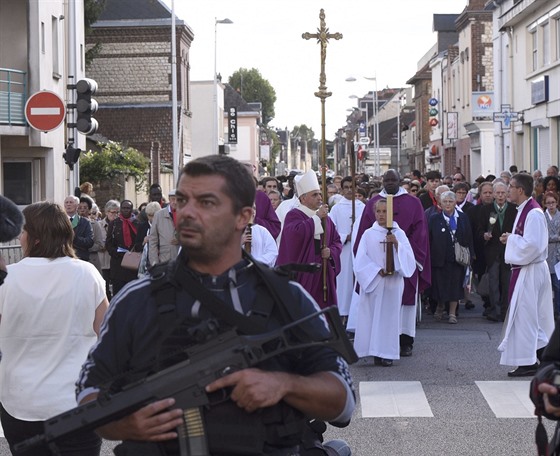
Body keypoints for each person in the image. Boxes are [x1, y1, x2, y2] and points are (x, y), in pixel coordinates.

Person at [76, 155, 355, 456]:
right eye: (182, 200)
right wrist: (124, 424)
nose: (187, 213)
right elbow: (89, 393)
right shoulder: (135, 300)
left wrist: (284, 384)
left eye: (206, 203)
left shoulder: (288, 298)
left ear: (243, 217)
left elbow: (342, 402)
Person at [0, 202, 108, 456]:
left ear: (35, 238)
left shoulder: (7, 279)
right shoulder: (87, 273)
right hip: (76, 401)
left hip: (21, 401)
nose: (20, 236)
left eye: (23, 231)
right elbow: (106, 333)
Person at [354, 169, 430, 357]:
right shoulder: (372, 203)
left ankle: (405, 341)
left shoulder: (413, 203)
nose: (389, 183)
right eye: (386, 180)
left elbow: (420, 232)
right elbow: (364, 233)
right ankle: (378, 344)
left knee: (405, 301)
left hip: (402, 263)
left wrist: (403, 255)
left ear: (398, 180)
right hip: (377, 266)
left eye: (392, 179)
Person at [498, 173, 555, 377]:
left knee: (525, 317)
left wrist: (511, 239)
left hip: (531, 270)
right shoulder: (525, 210)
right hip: (529, 269)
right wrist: (512, 239)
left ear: (520, 190)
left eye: (510, 187)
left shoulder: (534, 214)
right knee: (534, 318)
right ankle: (543, 357)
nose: (508, 190)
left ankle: (528, 361)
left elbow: (533, 246)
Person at [353, 199, 416, 366]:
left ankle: (387, 353)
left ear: (390, 214)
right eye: (378, 211)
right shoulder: (368, 234)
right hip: (375, 282)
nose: (381, 215)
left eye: (384, 212)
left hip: (393, 283)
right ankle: (372, 351)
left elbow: (409, 259)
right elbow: (360, 260)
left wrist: (397, 245)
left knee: (389, 318)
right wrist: (375, 270)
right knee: (372, 317)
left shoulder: (399, 233)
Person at [277, 170, 342, 309]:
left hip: (323, 271)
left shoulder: (326, 218)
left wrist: (330, 252)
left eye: (319, 194)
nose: (319, 197)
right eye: (314, 195)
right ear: (303, 198)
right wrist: (317, 218)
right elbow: (294, 236)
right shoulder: (294, 215)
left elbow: (336, 241)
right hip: (305, 271)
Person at [428, 191, 474, 324]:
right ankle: (440, 306)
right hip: (440, 257)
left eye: (450, 201)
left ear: (455, 203)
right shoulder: (434, 219)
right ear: (440, 204)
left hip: (457, 258)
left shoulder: (462, 217)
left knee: (455, 286)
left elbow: (469, 237)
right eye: (445, 202)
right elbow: (430, 238)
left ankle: (452, 313)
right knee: (440, 285)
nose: (448, 204)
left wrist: (471, 254)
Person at [478, 182, 517, 322]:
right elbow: (480, 229)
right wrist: (484, 235)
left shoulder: (514, 209)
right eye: (498, 193)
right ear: (493, 194)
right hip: (492, 251)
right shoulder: (486, 209)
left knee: (507, 282)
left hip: (508, 251)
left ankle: (506, 311)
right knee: (493, 282)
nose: (500, 196)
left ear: (507, 193)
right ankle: (495, 310)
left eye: (503, 193)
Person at [328, 176, 365, 320]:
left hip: (359, 249)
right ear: (342, 190)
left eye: (352, 187)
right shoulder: (337, 208)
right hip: (343, 251)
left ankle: (356, 316)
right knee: (344, 283)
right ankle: (343, 314)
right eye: (347, 187)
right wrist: (346, 236)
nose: (350, 190)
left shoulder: (363, 207)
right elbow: (331, 230)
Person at [105, 199, 142, 296]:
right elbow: (108, 244)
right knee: (118, 294)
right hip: (118, 264)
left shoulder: (137, 224)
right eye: (124, 208)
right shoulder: (113, 224)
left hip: (133, 266)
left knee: (133, 295)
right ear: (120, 209)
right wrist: (116, 252)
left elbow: (140, 242)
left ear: (132, 209)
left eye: (128, 208)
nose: (126, 210)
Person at [148, 189, 180, 266]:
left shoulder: (186, 214)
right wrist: (154, 263)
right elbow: (153, 240)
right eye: (173, 199)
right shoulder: (159, 215)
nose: (175, 202)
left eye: (177, 199)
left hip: (182, 259)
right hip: (164, 259)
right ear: (169, 199)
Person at [544, 191, 560, 318]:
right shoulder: (542, 217)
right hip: (546, 254)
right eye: (548, 203)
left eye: (553, 202)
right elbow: (543, 237)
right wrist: (557, 237)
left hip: (558, 254)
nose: (551, 205)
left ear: (557, 203)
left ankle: (558, 310)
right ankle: (547, 312)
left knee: (558, 285)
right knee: (546, 287)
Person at [64, 195, 94, 261]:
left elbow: (89, 242)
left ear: (77, 206)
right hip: (63, 258)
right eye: (66, 202)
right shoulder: (60, 221)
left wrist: (75, 238)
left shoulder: (85, 222)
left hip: (80, 258)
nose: (68, 204)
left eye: (71, 202)